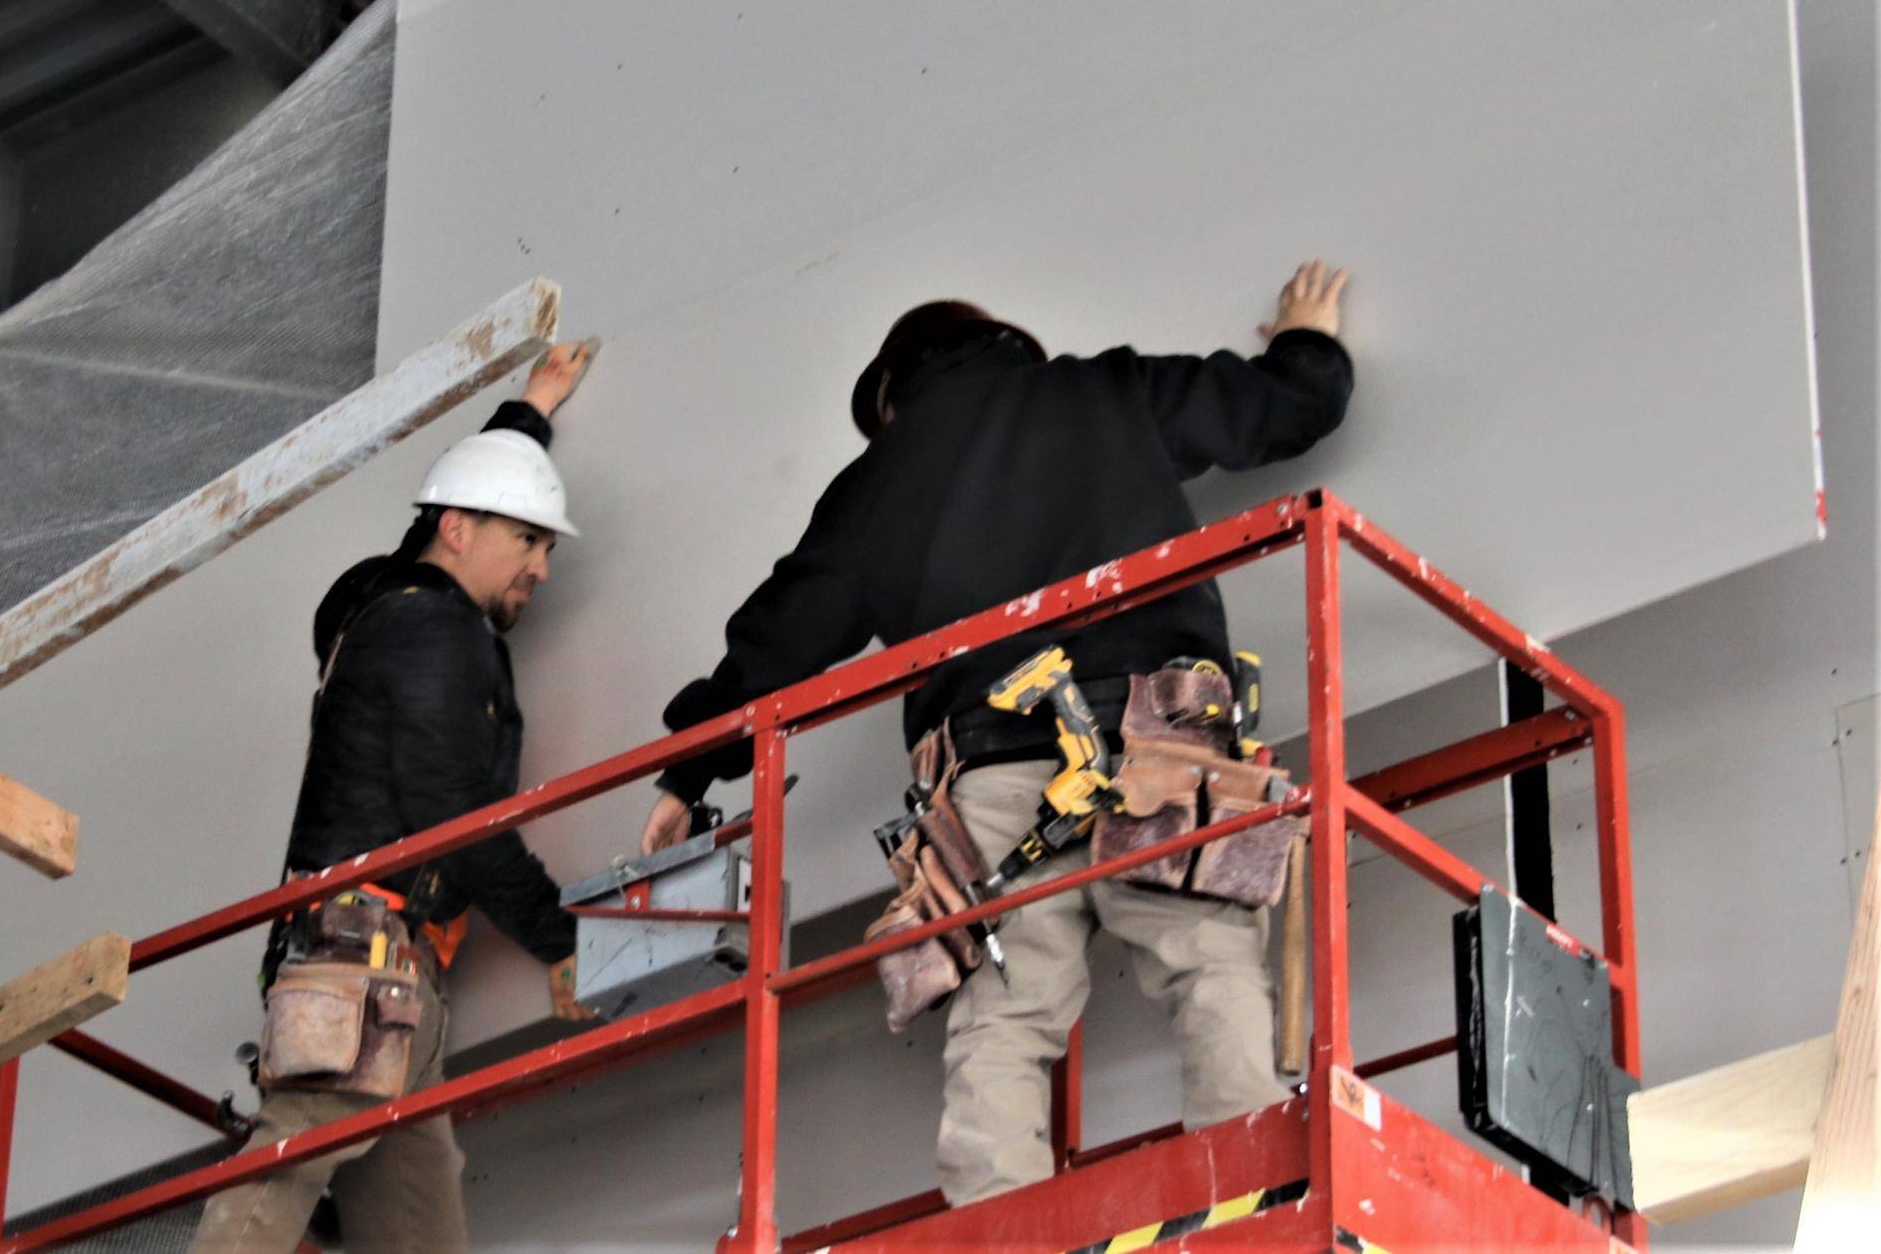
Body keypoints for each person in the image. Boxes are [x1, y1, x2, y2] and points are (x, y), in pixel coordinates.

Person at [639, 263, 1353, 1205]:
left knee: (1004, 1019)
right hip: (1161, 733)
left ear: (893, 396)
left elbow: (781, 638)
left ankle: (1000, 1230)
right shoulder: (1102, 390)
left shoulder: (880, 481)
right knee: (1208, 961)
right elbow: (1279, 408)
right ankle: (1259, 1199)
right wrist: (1309, 343)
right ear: (1002, 344)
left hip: (995, 767)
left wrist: (691, 772)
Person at [189, 341, 601, 1253]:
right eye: (527, 539)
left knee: (417, 1221)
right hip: (360, 958)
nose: (540, 566)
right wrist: (561, 937)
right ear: (459, 529)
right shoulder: (428, 625)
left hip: (395, 976)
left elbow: (466, 493)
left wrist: (530, 410)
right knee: (291, 1158)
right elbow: (449, 807)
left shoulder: (396, 609)